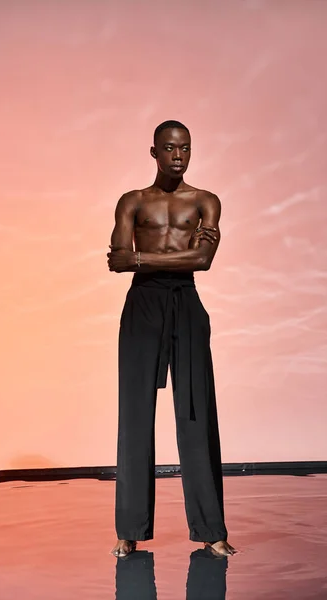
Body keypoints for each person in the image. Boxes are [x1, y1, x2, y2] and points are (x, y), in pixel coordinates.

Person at [107, 120, 235, 558]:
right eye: (169, 148)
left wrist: (143, 256)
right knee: (136, 415)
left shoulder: (205, 201)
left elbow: (203, 260)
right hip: (142, 306)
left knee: (196, 413)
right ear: (154, 152)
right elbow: (116, 263)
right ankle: (129, 531)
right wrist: (148, 261)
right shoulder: (132, 202)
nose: (178, 156)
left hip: (187, 302)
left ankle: (211, 530)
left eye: (185, 149)